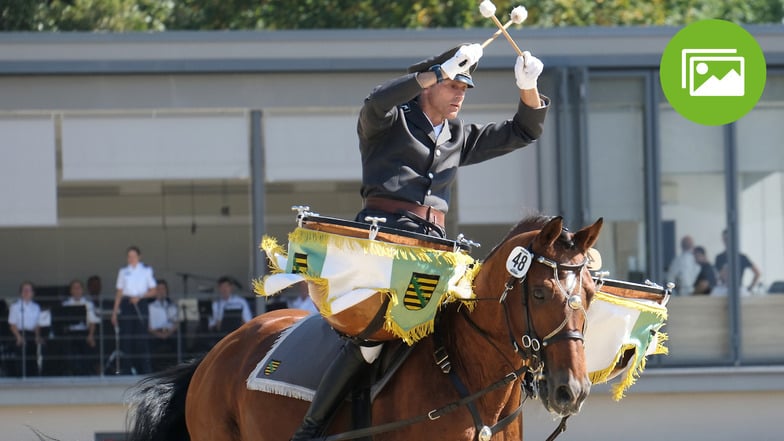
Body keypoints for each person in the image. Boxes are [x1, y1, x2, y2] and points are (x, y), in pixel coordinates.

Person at [291, 42, 549, 440]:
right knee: (373, 334)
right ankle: (311, 427)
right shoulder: (390, 121)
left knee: (483, 316)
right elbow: (375, 102)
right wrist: (432, 73)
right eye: (453, 85)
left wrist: (528, 87)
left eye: (465, 88)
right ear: (429, 86)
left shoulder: (457, 134)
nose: (460, 94)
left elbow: (523, 131)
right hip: (384, 245)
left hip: (435, 253)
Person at [111, 245, 156, 375]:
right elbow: (119, 292)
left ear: (139, 257)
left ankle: (145, 369)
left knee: (141, 338)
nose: (131, 259)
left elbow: (153, 290)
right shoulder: (123, 271)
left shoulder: (146, 270)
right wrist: (114, 312)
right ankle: (126, 369)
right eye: (129, 256)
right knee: (126, 338)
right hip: (127, 304)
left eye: (134, 256)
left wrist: (140, 296)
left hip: (140, 303)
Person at [61, 279, 100, 375]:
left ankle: (86, 372)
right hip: (69, 333)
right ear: (71, 290)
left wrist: (90, 335)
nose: (77, 290)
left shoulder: (88, 304)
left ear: (82, 290)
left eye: (79, 288)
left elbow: (92, 321)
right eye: (74, 288)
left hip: (84, 332)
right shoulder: (65, 304)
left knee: (88, 348)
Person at [7, 281, 43, 377]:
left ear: (33, 293)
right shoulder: (15, 306)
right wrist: (19, 337)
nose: (26, 292)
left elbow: (37, 324)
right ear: (20, 293)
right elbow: (12, 324)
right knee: (21, 359)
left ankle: (33, 378)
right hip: (19, 333)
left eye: (29, 290)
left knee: (32, 358)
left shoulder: (36, 307)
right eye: (24, 290)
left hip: (31, 333)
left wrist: (37, 336)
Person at [714, 229, 761, 294]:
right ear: (722, 240)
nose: (726, 241)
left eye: (728, 239)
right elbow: (718, 276)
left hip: (739, 290)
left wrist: (749, 288)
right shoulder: (719, 258)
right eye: (725, 239)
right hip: (723, 290)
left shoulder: (742, 257)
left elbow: (757, 273)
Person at [147, 279, 179, 371]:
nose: (161, 291)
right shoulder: (150, 306)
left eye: (163, 289)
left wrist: (168, 334)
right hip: (155, 335)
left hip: (169, 334)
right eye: (159, 289)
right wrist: (160, 335)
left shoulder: (172, 305)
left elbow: (176, 323)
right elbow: (148, 327)